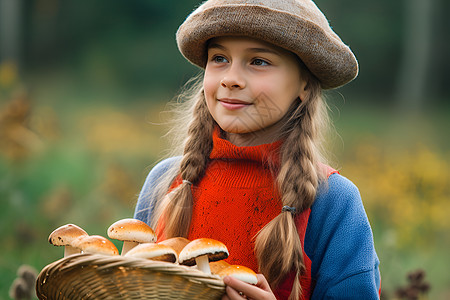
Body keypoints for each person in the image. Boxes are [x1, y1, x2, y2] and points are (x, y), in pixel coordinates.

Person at [134, 0, 381, 299]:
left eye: (259, 61)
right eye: (219, 58)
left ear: (304, 83)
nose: (230, 79)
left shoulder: (333, 203)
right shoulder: (165, 183)